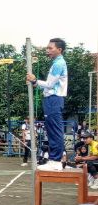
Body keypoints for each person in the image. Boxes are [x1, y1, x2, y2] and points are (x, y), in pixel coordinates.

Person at [27, 38, 69, 171]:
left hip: (54, 99)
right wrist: (35, 83)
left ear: (59, 49)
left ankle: (56, 161)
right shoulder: (56, 63)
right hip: (51, 99)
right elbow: (49, 85)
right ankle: (53, 159)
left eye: (50, 48)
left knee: (55, 130)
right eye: (47, 48)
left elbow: (50, 84)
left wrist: (35, 80)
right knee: (51, 130)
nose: (48, 51)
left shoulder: (58, 64)